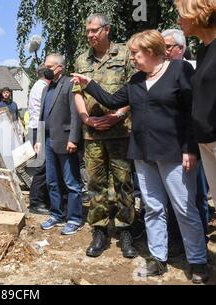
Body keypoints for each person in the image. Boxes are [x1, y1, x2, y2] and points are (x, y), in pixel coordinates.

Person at [72, 29, 209, 284]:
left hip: (175, 153)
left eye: (135, 53)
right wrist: (88, 83)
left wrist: (190, 148)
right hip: (143, 154)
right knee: (153, 208)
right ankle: (158, 258)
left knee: (184, 209)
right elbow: (112, 101)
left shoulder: (179, 71)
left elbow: (193, 112)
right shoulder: (136, 81)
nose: (132, 58)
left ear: (151, 51)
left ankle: (198, 260)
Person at [73, 13, 137, 258]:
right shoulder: (81, 60)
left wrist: (119, 114)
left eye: (94, 30)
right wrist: (85, 119)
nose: (90, 35)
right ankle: (99, 230)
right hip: (92, 134)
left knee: (123, 183)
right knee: (95, 184)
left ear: (107, 30)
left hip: (119, 131)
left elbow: (135, 89)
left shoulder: (124, 54)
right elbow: (77, 93)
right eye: (87, 31)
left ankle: (125, 231)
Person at [161, 28, 211, 253]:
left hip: (194, 142)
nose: (163, 51)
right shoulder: (161, 71)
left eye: (167, 47)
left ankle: (200, 235)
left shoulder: (191, 67)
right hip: (174, 143)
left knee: (197, 193)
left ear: (180, 49)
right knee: (178, 196)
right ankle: (178, 240)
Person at [175, 0, 216, 226]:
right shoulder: (203, 51)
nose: (178, 20)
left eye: (181, 14)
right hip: (205, 143)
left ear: (197, 12)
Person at [35, 53, 83, 235]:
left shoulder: (70, 84)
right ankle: (56, 214)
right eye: (45, 65)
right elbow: (42, 116)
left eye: (49, 66)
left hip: (65, 140)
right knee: (52, 181)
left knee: (71, 182)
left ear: (60, 68)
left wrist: (74, 138)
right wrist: (39, 140)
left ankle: (74, 218)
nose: (45, 69)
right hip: (48, 140)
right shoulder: (47, 88)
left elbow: (76, 113)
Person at [27, 65, 50, 215]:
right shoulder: (42, 87)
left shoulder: (37, 85)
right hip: (39, 127)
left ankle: (43, 199)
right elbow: (45, 110)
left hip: (36, 127)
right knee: (42, 166)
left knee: (43, 165)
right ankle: (35, 202)